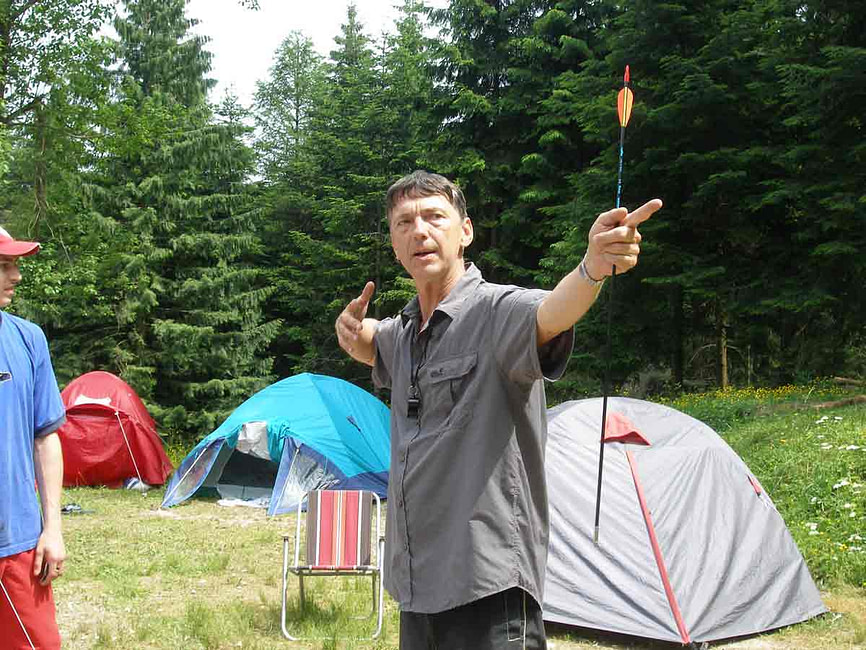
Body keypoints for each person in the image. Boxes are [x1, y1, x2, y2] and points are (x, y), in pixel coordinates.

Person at [336, 171, 662, 649]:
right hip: (416, 585)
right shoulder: (404, 333)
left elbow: (553, 311)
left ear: (465, 231)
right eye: (404, 222)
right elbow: (373, 344)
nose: (419, 231)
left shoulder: (498, 313)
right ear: (393, 242)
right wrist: (351, 332)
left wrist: (591, 268)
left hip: (485, 586)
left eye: (433, 217)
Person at [0, 226, 67, 650]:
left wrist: (53, 529)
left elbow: (46, 438)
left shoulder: (28, 338)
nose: (17, 276)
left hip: (19, 545)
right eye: (5, 266)